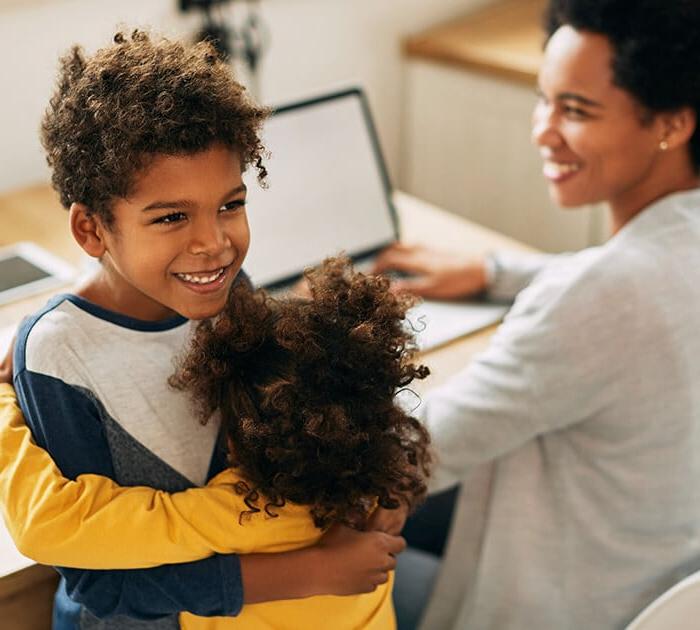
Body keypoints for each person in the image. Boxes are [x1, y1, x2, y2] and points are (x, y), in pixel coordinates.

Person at [0, 30, 405, 629]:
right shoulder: (59, 355)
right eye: (171, 217)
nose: (214, 242)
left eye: (230, 204)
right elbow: (97, 581)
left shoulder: (227, 293)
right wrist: (312, 573)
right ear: (91, 231)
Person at [373, 0, 700, 628]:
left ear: (670, 122)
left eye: (575, 110)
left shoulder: (595, 298)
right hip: (666, 588)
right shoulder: (642, 267)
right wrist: (494, 272)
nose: (543, 131)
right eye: (542, 98)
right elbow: (634, 276)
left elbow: (406, 454)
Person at [0, 257, 432, 628]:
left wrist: (3, 402)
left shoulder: (237, 512)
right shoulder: (382, 480)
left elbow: (50, 524)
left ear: (238, 441)